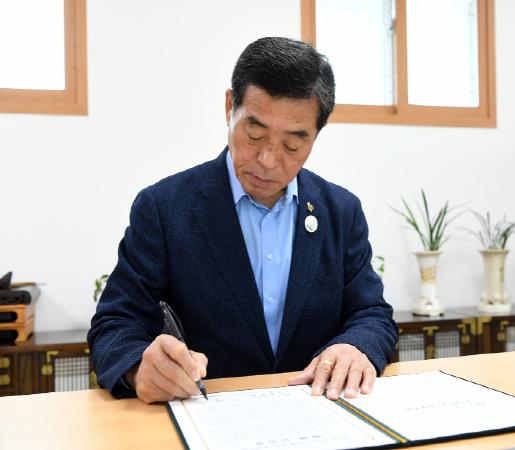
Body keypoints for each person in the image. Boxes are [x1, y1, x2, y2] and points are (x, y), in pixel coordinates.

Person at [88, 37, 398, 404]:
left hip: (317, 410)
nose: (268, 160)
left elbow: (371, 312)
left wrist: (355, 346)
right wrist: (139, 368)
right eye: (255, 133)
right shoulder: (165, 208)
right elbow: (115, 323)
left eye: (293, 145)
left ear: (316, 135)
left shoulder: (340, 211)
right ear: (229, 107)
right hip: (204, 413)